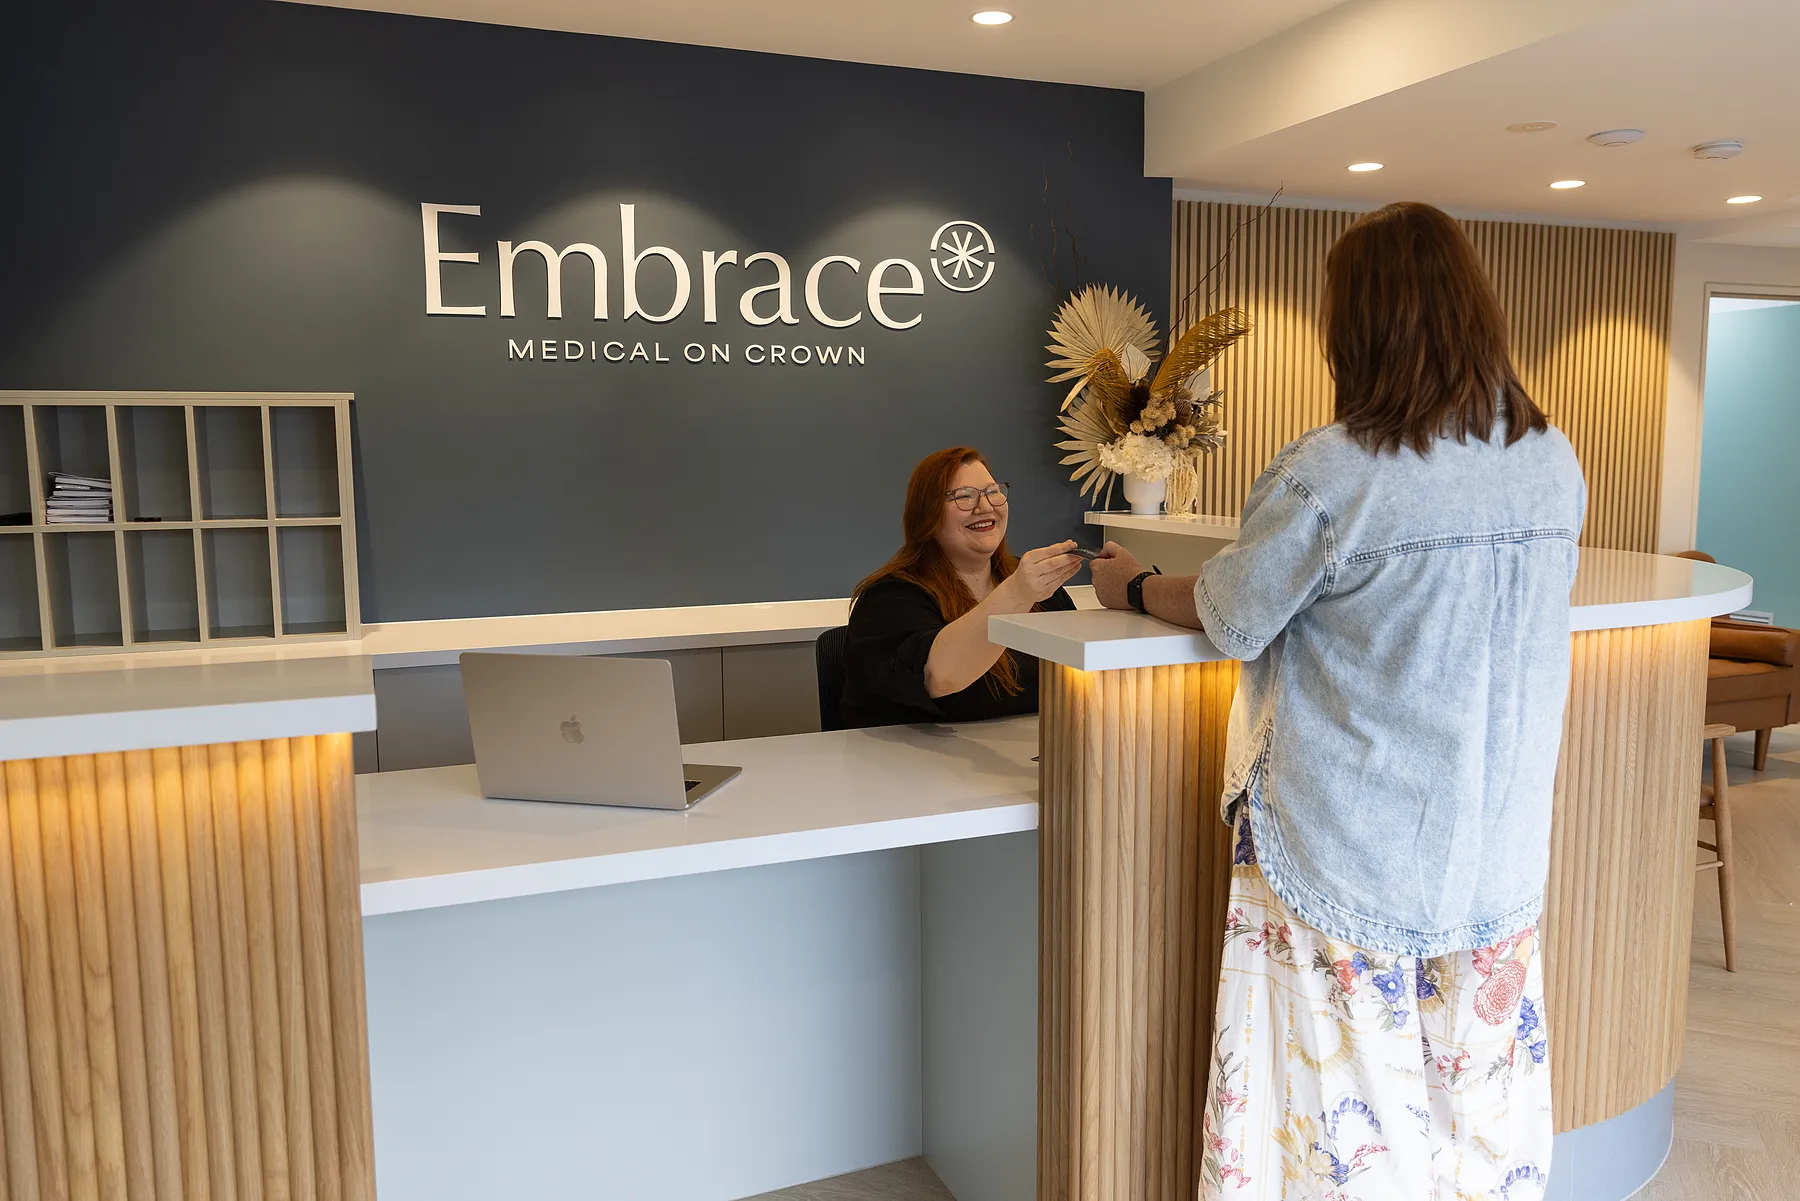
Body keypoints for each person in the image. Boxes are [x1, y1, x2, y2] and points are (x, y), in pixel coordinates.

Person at [1091, 202, 1586, 1201]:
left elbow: (1234, 615)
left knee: (1340, 1129)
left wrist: (1134, 587)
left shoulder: (1336, 472)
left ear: (1355, 323)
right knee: (1477, 1110)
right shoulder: (1552, 461)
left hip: (1345, 846)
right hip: (1492, 849)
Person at [840, 447, 1083, 729]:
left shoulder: (1036, 585)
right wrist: (1017, 594)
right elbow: (939, 677)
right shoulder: (888, 599)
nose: (985, 507)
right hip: (906, 767)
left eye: (993, 491)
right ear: (927, 516)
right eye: (964, 497)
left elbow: (1074, 677)